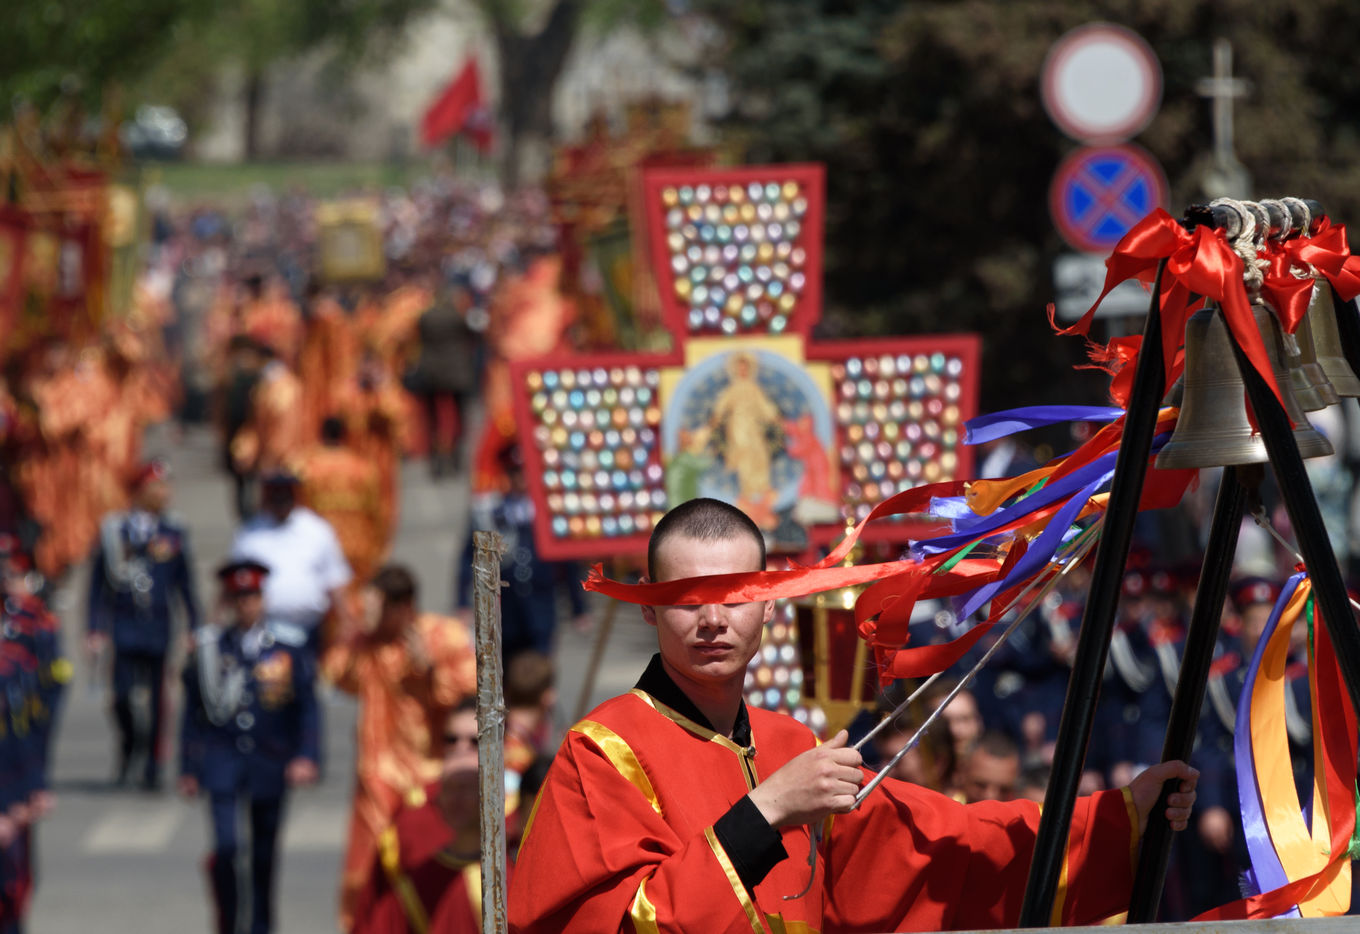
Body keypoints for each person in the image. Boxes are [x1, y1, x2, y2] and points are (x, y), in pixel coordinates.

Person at [510, 498, 1199, 932]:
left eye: (736, 594)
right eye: (689, 596)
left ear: (769, 603)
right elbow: (618, 925)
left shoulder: (791, 744)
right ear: (650, 605)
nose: (714, 619)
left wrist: (1119, 820)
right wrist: (766, 811)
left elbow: (948, 850)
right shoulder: (602, 750)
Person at [322, 565, 476, 932]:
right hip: (377, 774)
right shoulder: (367, 641)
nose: (370, 619)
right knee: (367, 870)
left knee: (427, 863)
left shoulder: (443, 635)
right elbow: (339, 677)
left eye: (377, 610)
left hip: (429, 772)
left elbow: (471, 694)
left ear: (402, 608)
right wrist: (351, 635)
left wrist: (430, 669)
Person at [179, 559, 320, 934]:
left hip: (268, 761)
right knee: (226, 847)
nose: (246, 605)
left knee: (263, 855)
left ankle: (260, 925)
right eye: (238, 597)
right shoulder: (210, 649)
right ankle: (228, 921)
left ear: (263, 599)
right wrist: (187, 768)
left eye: (253, 596)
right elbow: (192, 713)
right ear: (228, 601)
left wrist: (306, 756)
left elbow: (306, 707)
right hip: (221, 760)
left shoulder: (286, 649)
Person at [86, 460, 200, 789]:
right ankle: (130, 742)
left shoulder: (173, 531)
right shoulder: (114, 531)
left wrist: (194, 625)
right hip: (124, 624)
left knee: (159, 700)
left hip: (158, 625)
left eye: (166, 487)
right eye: (157, 487)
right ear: (140, 491)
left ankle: (152, 765)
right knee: (120, 695)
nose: (165, 494)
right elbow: (98, 585)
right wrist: (94, 628)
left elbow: (185, 583)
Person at [355, 699, 513, 934]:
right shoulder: (411, 821)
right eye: (451, 740)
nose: (461, 749)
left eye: (475, 740)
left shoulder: (524, 822)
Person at [230, 470, 353, 653]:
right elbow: (233, 582)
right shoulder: (250, 533)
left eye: (285, 493)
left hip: (310, 630)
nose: (281, 499)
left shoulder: (317, 530)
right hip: (264, 632)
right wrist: (212, 624)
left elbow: (335, 581)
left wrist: (347, 622)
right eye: (276, 493)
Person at [295, 416, 385, 584]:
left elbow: (301, 509)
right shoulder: (363, 468)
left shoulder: (308, 468)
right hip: (358, 547)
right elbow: (375, 513)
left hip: (322, 547)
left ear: (322, 435)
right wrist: (377, 548)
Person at [958, 731, 1021, 803]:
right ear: (961, 774)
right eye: (981, 785)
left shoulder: (1022, 808)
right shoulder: (947, 807)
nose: (990, 797)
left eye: (1003, 790)